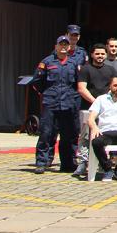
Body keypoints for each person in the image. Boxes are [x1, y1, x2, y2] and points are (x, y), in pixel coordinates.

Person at [32, 35, 81, 174]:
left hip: (68, 103)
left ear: (69, 47)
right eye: (61, 44)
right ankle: (42, 162)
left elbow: (78, 83)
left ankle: (67, 164)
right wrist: (47, 93)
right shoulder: (47, 62)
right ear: (56, 46)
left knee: (68, 135)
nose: (63, 47)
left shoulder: (73, 64)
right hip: (51, 103)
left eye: (66, 45)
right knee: (46, 133)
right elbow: (37, 81)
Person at [75, 45, 115, 178]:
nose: (100, 56)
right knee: (85, 136)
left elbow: (113, 88)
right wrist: (96, 102)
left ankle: (103, 164)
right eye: (97, 54)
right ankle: (82, 162)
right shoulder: (85, 69)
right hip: (87, 107)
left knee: (103, 135)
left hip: (106, 109)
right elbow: (81, 88)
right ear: (92, 55)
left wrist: (103, 104)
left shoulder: (110, 70)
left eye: (102, 54)